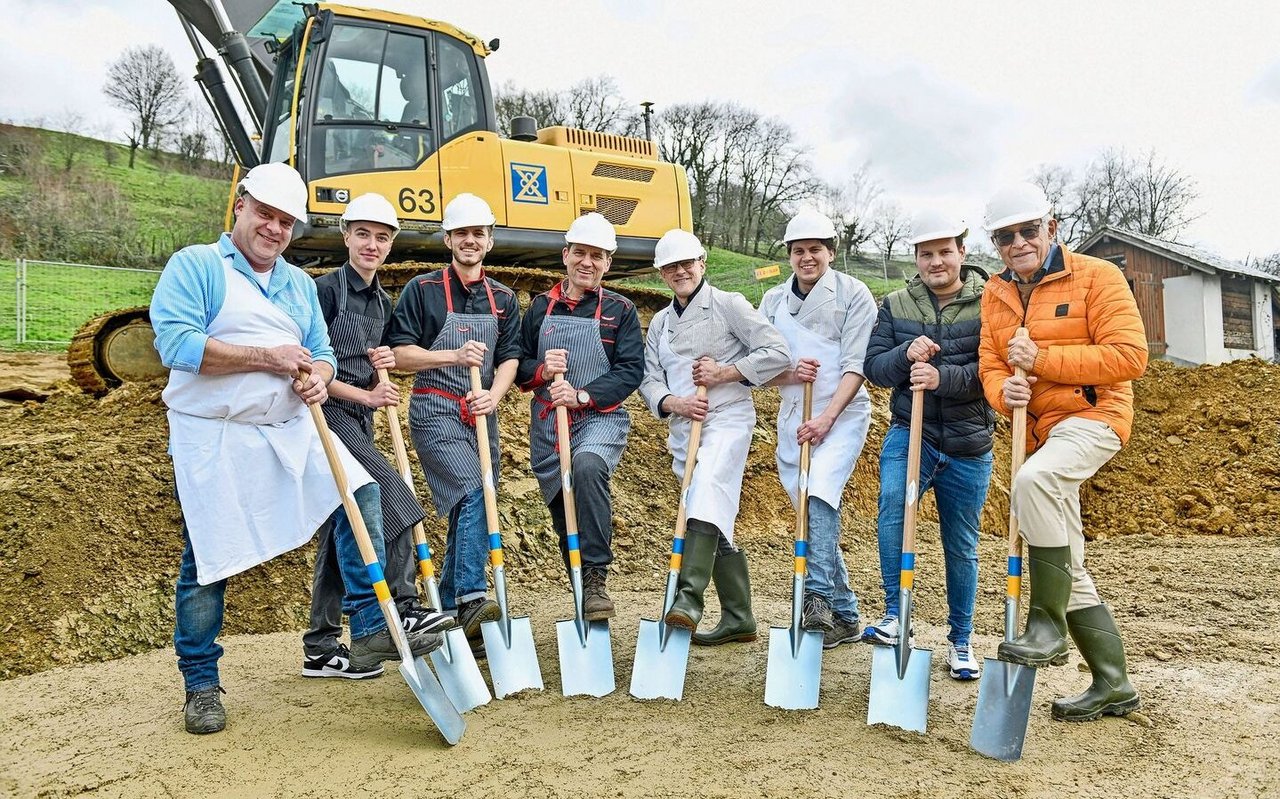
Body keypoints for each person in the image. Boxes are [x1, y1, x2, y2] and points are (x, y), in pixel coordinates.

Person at [151, 163, 437, 736]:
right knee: (208, 557)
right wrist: (268, 359)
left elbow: (320, 351)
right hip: (216, 433)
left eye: (286, 222)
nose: (274, 229)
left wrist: (317, 374)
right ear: (241, 206)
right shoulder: (197, 267)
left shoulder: (297, 284)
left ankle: (368, 623)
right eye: (266, 215)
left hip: (287, 426)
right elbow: (176, 344)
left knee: (361, 493)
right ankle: (201, 683)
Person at [978, 182, 1147, 721]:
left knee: (1034, 483)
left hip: (1094, 417)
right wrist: (1003, 392)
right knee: (1067, 560)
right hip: (1039, 431)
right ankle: (1113, 684)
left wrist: (1043, 359)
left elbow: (1128, 356)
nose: (1019, 243)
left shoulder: (1099, 276)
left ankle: (1047, 626)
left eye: (1029, 230)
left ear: (1052, 227)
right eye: (1006, 236)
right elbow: (991, 362)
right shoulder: (995, 293)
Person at [301, 193, 454, 681]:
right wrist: (363, 395)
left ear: (391, 245)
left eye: (382, 237)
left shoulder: (382, 300)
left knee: (342, 529)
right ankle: (404, 606)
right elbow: (310, 365)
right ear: (345, 235)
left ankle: (321, 646)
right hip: (325, 414)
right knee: (397, 501)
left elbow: (379, 361)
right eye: (362, 234)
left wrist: (380, 376)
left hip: (358, 416)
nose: (372, 244)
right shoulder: (324, 291)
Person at [386, 193, 522, 656]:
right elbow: (399, 354)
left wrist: (492, 395)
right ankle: (471, 597)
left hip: (481, 411)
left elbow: (510, 358)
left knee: (478, 499)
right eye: (461, 233)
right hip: (435, 406)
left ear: (489, 240)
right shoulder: (421, 290)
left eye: (478, 233)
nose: (470, 240)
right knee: (471, 490)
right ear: (448, 239)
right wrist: (452, 355)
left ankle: (448, 612)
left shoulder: (503, 298)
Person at [638, 230, 790, 643]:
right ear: (662, 275)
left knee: (706, 490)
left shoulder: (729, 305)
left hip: (726, 418)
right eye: (671, 266)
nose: (680, 271)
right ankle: (740, 617)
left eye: (687, 263)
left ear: (702, 263)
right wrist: (672, 402)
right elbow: (649, 379)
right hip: (684, 429)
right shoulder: (660, 324)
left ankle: (688, 598)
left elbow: (777, 352)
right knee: (710, 509)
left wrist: (725, 372)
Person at [863, 209, 992, 681]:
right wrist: (905, 354)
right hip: (909, 432)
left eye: (944, 252)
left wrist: (942, 378)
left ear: (962, 251)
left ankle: (961, 640)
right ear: (914, 258)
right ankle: (897, 616)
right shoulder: (895, 303)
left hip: (968, 442)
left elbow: (992, 373)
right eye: (926, 254)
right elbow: (874, 368)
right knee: (893, 509)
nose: (936, 261)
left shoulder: (991, 303)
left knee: (960, 545)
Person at [759, 209, 878, 649]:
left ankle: (816, 598)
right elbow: (758, 368)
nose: (806, 258)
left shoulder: (854, 293)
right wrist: (788, 374)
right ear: (789, 256)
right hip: (794, 415)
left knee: (821, 492)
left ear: (831, 251)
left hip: (841, 413)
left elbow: (857, 364)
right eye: (798, 251)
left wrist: (827, 418)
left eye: (815, 249)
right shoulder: (772, 301)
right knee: (809, 513)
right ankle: (846, 616)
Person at [516, 213, 645, 619]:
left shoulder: (621, 310)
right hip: (549, 421)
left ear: (608, 263)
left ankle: (595, 578)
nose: (587, 262)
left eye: (597, 256)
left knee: (587, 468)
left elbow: (630, 370)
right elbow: (517, 364)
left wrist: (582, 395)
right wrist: (541, 369)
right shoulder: (540, 306)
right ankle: (580, 587)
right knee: (561, 504)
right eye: (580, 253)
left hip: (598, 418)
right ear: (566, 255)